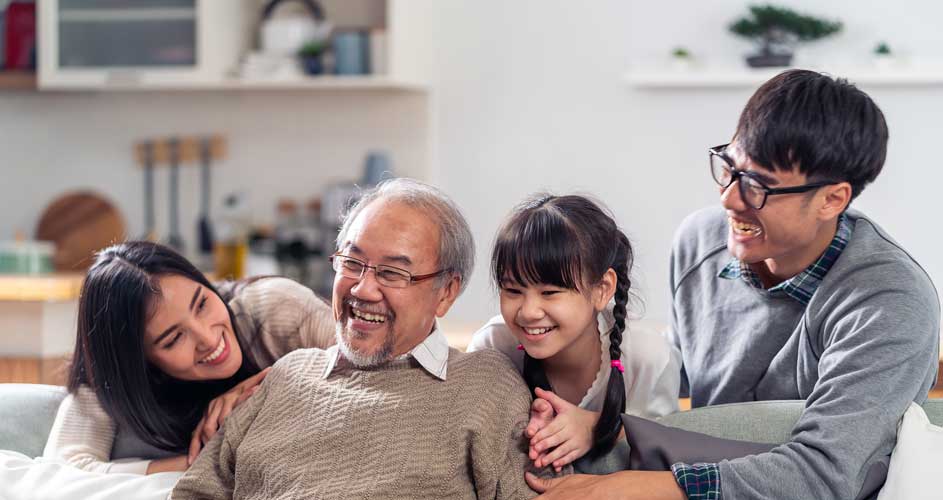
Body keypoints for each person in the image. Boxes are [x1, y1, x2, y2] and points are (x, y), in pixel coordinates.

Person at [527, 69, 940, 499]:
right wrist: (601, 424)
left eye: (760, 186)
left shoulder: (889, 302)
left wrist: (627, 489)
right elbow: (684, 394)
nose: (729, 199)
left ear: (832, 199)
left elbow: (825, 475)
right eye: (730, 168)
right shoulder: (700, 242)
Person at [172, 178, 556, 500]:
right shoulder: (286, 376)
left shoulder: (485, 386)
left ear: (446, 292)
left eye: (392, 273)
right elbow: (196, 493)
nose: (363, 288)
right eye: (352, 263)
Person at [43, 241, 335, 474]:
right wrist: (204, 461)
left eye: (202, 304)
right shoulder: (111, 382)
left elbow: (373, 371)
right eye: (174, 338)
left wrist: (262, 391)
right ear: (140, 362)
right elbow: (64, 468)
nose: (208, 338)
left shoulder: (272, 307)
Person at [468, 194, 680, 471]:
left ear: (602, 289)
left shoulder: (648, 357)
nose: (529, 311)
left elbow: (668, 461)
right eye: (513, 291)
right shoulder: (493, 346)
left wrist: (600, 428)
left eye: (550, 292)